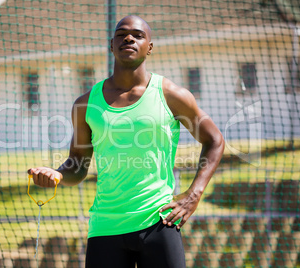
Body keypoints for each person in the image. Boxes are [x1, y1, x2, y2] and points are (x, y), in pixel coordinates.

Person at [28, 15, 224, 268]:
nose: (129, 38)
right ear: (111, 45)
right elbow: (77, 166)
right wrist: (56, 174)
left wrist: (193, 195)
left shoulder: (171, 95)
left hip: (159, 223)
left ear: (149, 47)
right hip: (105, 227)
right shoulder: (85, 104)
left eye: (138, 35)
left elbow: (215, 140)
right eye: (121, 34)